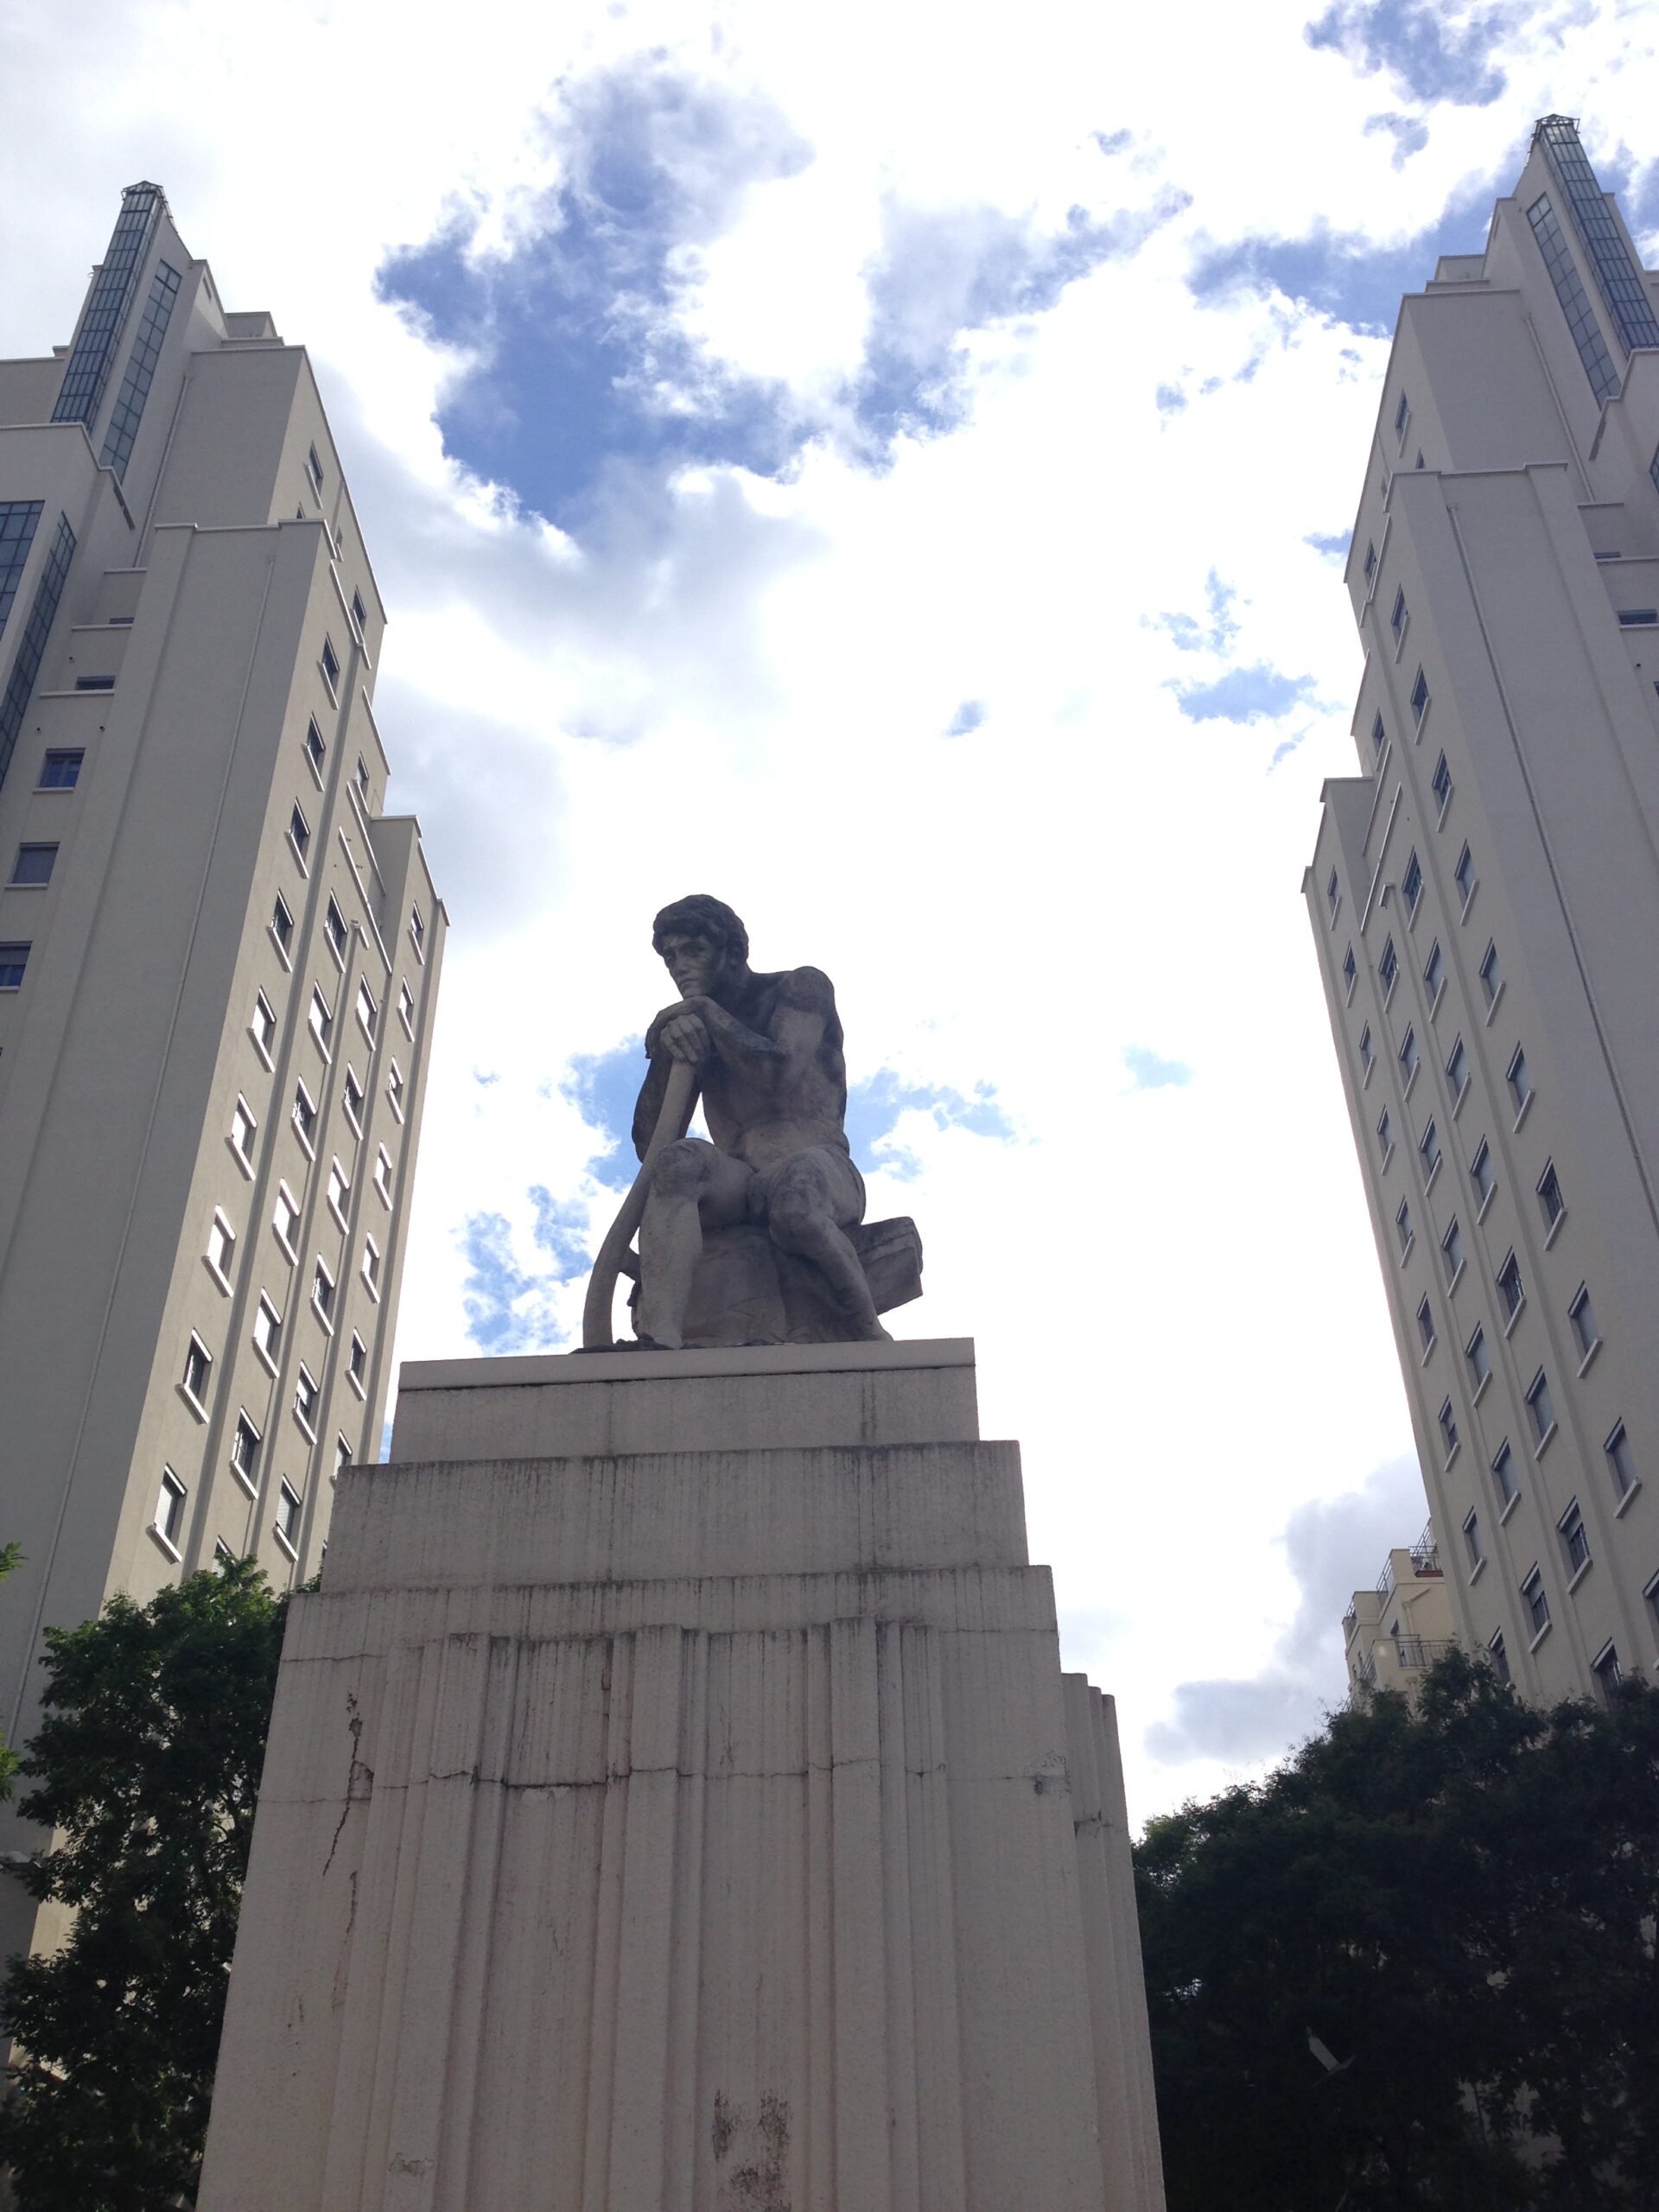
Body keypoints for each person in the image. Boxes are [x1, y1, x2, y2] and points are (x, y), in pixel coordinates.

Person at [628, 893, 888, 1349]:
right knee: (678, 1164)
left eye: (694, 950)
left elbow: (779, 1075)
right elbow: (650, 1147)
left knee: (796, 1198)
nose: (679, 967)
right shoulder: (698, 1027)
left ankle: (866, 1328)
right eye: (670, 957)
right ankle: (661, 1339)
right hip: (741, 1181)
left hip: (820, 1166)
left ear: (732, 952)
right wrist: (666, 1052)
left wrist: (706, 1013)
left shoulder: (801, 987)